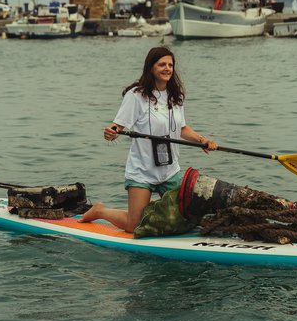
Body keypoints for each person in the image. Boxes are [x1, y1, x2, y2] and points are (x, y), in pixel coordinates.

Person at [79, 46, 218, 232]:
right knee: (133, 226)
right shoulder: (136, 95)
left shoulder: (176, 96)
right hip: (142, 171)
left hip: (170, 170)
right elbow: (117, 126)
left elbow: (182, 128)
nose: (167, 68)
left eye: (170, 64)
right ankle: (100, 211)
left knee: (191, 215)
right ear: (151, 67)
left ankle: (154, 212)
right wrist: (110, 133)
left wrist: (202, 140)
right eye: (162, 64)